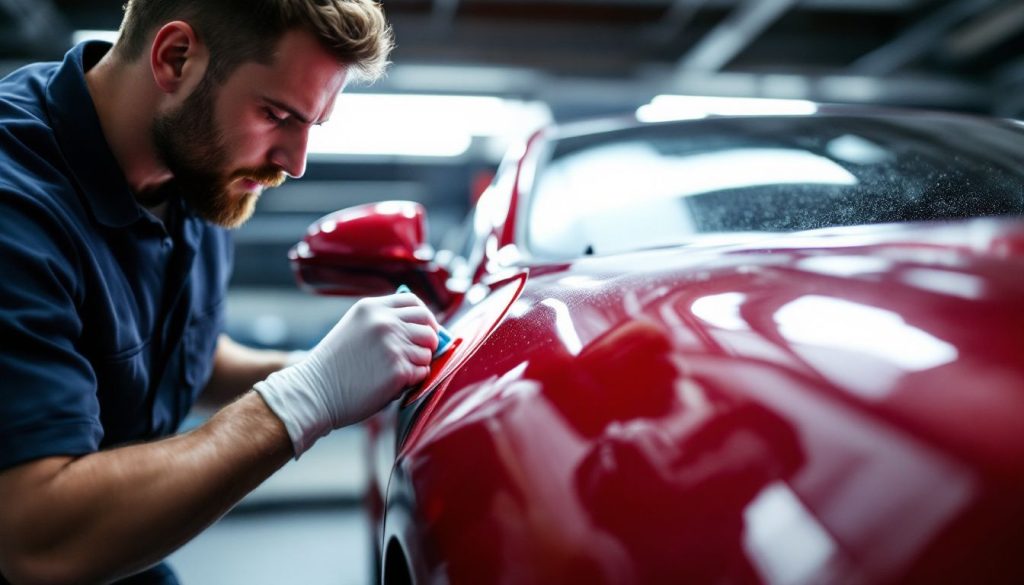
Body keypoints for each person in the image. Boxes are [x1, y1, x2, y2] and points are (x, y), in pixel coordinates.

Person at [0, 1, 439, 584]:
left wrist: (329, 368)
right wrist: (308, 394)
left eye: (312, 124)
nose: (295, 161)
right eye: (277, 114)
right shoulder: (16, 208)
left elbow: (182, 354)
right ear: (176, 58)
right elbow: (35, 537)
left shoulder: (195, 162)